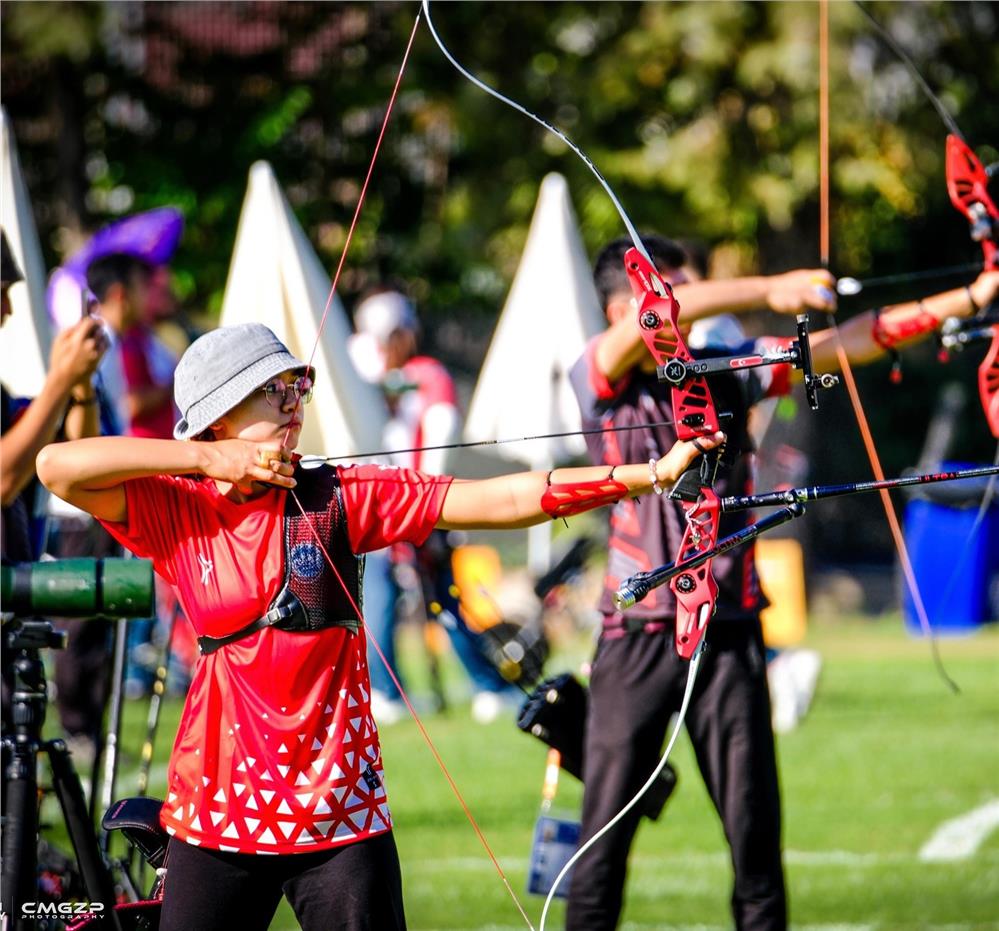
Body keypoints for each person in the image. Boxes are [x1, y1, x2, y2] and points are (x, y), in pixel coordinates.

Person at [35, 321, 720, 931]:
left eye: (293, 386)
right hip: (217, 810)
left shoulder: (335, 496)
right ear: (216, 417)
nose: (292, 401)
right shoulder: (177, 509)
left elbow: (497, 498)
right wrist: (206, 460)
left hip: (339, 812)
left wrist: (650, 473)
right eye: (269, 390)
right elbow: (57, 466)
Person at [565, 233, 999, 930]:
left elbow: (854, 339)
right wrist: (769, 289)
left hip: (728, 632)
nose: (683, 310)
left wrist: (970, 296)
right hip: (636, 639)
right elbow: (654, 319)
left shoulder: (723, 370)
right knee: (601, 844)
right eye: (666, 293)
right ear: (623, 306)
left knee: (755, 843)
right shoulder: (597, 375)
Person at [352, 289, 518, 724]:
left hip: (418, 506)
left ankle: (482, 686)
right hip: (386, 505)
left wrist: (427, 505)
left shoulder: (423, 374)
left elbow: (441, 431)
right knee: (388, 601)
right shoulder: (367, 379)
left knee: (438, 601)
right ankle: (390, 692)